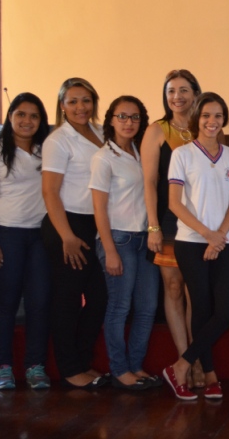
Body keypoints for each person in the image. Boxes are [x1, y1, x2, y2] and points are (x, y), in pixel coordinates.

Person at [162, 92, 229, 401]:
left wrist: (219, 236)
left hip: (222, 242)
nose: (213, 121)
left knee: (226, 311)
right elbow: (174, 203)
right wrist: (208, 235)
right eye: (207, 115)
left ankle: (180, 366)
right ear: (198, 118)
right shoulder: (182, 154)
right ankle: (209, 376)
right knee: (203, 307)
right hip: (191, 242)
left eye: (219, 116)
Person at [0, 93, 50, 390]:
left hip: (41, 237)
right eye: (21, 114)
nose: (27, 121)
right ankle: (2, 367)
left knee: (40, 304)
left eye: (34, 116)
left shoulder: (47, 151)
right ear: (10, 117)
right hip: (6, 234)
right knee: (5, 304)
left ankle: (35, 366)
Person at [41, 77, 107, 389]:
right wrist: (66, 235)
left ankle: (83, 361)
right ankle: (69, 368)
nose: (80, 107)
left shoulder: (101, 132)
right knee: (68, 299)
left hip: (97, 224)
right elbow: (50, 192)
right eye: (73, 101)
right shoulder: (57, 141)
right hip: (67, 224)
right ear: (62, 106)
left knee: (99, 297)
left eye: (85, 100)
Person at [90, 96, 160, 391]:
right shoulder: (104, 157)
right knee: (120, 306)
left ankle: (136, 365)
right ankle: (119, 370)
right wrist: (109, 250)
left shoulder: (140, 152)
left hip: (146, 239)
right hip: (118, 238)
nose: (129, 123)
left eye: (135, 117)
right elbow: (99, 207)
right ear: (110, 120)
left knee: (147, 307)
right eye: (122, 117)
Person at [141, 69, 205, 388]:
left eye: (183, 90)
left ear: (195, 93)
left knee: (196, 293)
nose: (176, 97)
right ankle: (186, 361)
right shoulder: (156, 130)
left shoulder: (205, 127)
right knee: (174, 289)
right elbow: (150, 183)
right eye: (170, 91)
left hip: (201, 223)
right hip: (167, 224)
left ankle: (193, 359)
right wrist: (152, 225)